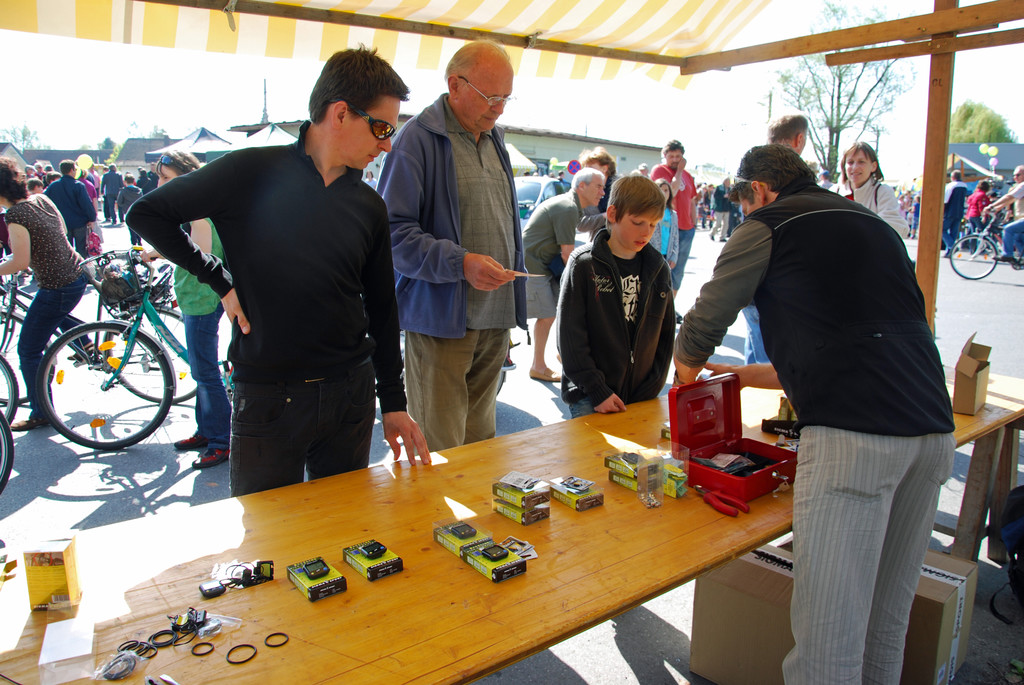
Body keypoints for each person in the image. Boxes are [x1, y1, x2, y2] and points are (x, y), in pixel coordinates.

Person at [674, 144, 955, 684]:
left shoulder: (768, 224)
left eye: (744, 202)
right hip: (931, 431)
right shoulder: (872, 225)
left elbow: (701, 328)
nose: (743, 212)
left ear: (759, 190)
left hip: (856, 441)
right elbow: (854, 344)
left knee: (828, 645)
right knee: (885, 626)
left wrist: (686, 372)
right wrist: (736, 376)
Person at [127, 47, 429, 497]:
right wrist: (219, 280)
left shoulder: (369, 204)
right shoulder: (250, 171)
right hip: (269, 396)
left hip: (349, 395)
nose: (387, 144)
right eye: (382, 128)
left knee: (342, 527)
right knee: (264, 535)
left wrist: (394, 403)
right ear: (341, 113)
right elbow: (147, 214)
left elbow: (383, 308)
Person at [379, 40, 525, 453]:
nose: (499, 108)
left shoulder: (494, 138)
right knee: (439, 449)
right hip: (441, 323)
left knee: (480, 448)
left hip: (494, 321)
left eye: (506, 98)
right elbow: (392, 234)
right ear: (455, 85)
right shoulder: (416, 140)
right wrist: (461, 263)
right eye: (490, 97)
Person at [142, 151, 232, 470]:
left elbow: (200, 257)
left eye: (166, 177)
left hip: (202, 299)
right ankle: (206, 431)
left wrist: (158, 253)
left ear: (186, 176)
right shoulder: (197, 208)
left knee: (205, 372)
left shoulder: (199, 213)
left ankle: (220, 440)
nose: (160, 183)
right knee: (200, 371)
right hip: (197, 298)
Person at [557, 175, 675, 418]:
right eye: (638, 222)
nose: (646, 232)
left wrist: (654, 386)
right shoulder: (583, 264)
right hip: (590, 396)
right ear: (612, 214)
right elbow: (569, 337)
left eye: (654, 224)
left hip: (643, 395)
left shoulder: (658, 268)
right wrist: (597, 390)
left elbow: (666, 333)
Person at [0, 157, 88, 431]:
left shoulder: (15, 215)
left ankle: (41, 412)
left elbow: (19, 262)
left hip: (57, 284)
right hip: (76, 273)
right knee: (51, 316)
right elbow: (61, 230)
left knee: (28, 350)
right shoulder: (40, 198)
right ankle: (85, 342)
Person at [522, 167, 604, 384]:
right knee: (548, 315)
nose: (602, 192)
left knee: (563, 310)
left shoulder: (572, 205)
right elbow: (568, 254)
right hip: (534, 265)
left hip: (544, 265)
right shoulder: (568, 207)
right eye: (599, 186)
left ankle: (562, 355)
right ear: (582, 186)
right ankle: (538, 366)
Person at [650, 140, 697, 301]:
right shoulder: (660, 170)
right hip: (666, 228)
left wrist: (694, 223)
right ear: (665, 156)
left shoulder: (688, 176)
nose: (675, 160)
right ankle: (656, 303)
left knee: (678, 270)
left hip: (686, 228)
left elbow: (692, 200)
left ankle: (670, 304)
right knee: (660, 269)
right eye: (672, 156)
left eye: (678, 156)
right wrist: (679, 171)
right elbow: (673, 191)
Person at [835, 142, 909, 237]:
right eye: (850, 162)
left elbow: (895, 226)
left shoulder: (883, 192)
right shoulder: (834, 192)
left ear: (873, 166)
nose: (855, 167)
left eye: (861, 162)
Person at [44, 159, 97, 258]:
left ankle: (70, 266)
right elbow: (86, 204)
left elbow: (45, 202)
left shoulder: (52, 186)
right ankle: (82, 266)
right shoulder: (78, 185)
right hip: (79, 222)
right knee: (81, 249)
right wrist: (92, 218)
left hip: (62, 223)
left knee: (66, 250)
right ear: (72, 170)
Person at [986, 165, 1024, 262]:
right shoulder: (1019, 186)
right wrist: (997, 208)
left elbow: (1009, 197)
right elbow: (1010, 200)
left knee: (1008, 229)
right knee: (1018, 238)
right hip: (1020, 219)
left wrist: (991, 206)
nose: (1015, 177)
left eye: (1018, 175)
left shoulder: (1023, 186)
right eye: (1014, 175)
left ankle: (1007, 255)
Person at [652, 178, 680, 271]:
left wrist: (674, 257)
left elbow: (675, 237)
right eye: (661, 190)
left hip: (667, 255)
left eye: (666, 190)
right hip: (653, 254)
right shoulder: (650, 212)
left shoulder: (673, 214)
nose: (664, 193)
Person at [580, 147, 617, 214]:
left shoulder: (618, 188)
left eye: (590, 168)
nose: (586, 171)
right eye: (585, 168)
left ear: (604, 169)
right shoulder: (586, 187)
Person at [942, 169, 968, 251]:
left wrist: (943, 211)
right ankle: (950, 250)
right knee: (954, 232)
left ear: (953, 177)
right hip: (959, 211)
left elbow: (946, 200)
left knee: (942, 229)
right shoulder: (964, 186)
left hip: (950, 211)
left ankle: (951, 246)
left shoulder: (950, 186)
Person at [116, 174, 144, 246]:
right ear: (133, 181)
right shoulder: (139, 190)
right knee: (138, 227)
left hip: (128, 210)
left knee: (131, 227)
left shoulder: (123, 191)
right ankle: (139, 240)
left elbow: (119, 202)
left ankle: (133, 242)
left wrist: (124, 206)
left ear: (125, 181)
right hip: (138, 211)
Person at [710, 177, 732, 242]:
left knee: (726, 224)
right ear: (724, 182)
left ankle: (722, 237)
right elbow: (715, 196)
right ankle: (712, 234)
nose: (729, 183)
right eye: (728, 182)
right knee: (718, 223)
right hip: (719, 208)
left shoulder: (730, 189)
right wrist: (723, 196)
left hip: (726, 208)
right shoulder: (719, 188)